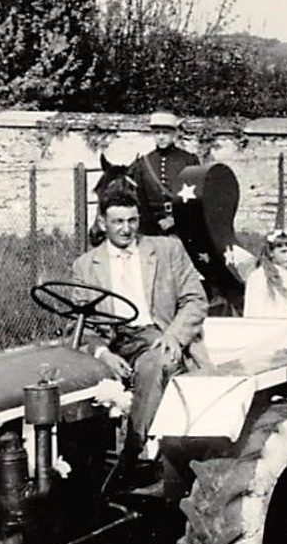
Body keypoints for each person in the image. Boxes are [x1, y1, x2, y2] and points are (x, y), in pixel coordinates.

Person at [69, 187, 209, 464]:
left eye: (132, 221)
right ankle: (79, 462)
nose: (126, 229)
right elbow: (79, 323)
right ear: (102, 223)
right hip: (113, 341)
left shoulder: (167, 250)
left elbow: (196, 300)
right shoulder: (85, 265)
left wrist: (174, 335)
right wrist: (102, 353)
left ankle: (133, 451)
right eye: (118, 222)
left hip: (156, 336)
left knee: (155, 364)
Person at [128, 110, 201, 234]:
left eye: (165, 133)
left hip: (183, 226)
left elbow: (197, 197)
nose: (161, 137)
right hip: (151, 228)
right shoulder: (143, 163)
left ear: (174, 134)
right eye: (157, 133)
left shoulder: (188, 160)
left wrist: (174, 220)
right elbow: (140, 200)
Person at [241, 230, 287, 319]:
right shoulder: (259, 277)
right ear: (271, 253)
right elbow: (254, 312)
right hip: (274, 328)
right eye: (283, 252)